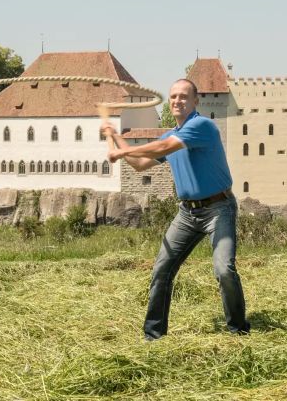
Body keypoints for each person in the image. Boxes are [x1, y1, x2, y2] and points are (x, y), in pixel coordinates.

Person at [102, 78, 249, 340]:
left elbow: (162, 147)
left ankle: (238, 330)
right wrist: (114, 137)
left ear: (195, 101)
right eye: (173, 97)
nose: (177, 101)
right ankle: (153, 335)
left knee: (224, 269)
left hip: (219, 208)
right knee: (161, 269)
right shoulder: (169, 135)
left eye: (183, 96)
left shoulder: (201, 126)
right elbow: (140, 164)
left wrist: (120, 152)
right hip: (187, 214)